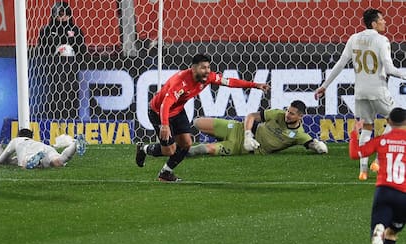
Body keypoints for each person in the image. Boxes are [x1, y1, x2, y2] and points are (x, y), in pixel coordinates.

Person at [135, 54, 270, 182]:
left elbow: (230, 82)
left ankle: (165, 173)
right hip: (159, 112)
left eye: (208, 67)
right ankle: (144, 149)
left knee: (186, 144)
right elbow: (166, 104)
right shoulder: (180, 82)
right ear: (193, 68)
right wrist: (164, 125)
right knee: (169, 150)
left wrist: (255, 85)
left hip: (177, 111)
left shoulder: (209, 77)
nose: (207, 71)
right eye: (203, 67)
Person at [315, 8, 406, 181]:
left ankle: (363, 171)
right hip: (378, 90)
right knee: (396, 122)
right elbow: (389, 69)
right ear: (373, 23)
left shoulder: (353, 38)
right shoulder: (382, 40)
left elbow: (340, 64)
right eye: (382, 19)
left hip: (360, 92)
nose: (384, 22)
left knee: (366, 128)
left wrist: (324, 85)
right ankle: (378, 160)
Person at [349, 108, 406, 244]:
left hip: (384, 191)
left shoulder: (381, 141)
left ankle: (378, 228)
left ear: (388, 122)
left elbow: (355, 154)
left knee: (379, 227)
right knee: (392, 234)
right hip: (403, 195)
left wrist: (353, 133)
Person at [188, 100, 328, 156]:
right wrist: (248, 135)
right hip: (238, 129)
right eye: (288, 111)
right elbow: (251, 116)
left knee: (201, 149)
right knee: (197, 122)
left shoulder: (299, 135)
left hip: (239, 147)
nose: (287, 115)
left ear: (300, 117)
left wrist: (318, 147)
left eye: (292, 114)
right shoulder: (277, 114)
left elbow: (310, 143)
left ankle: (173, 152)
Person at [0, 129, 86, 169]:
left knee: (25, 162)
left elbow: (1, 161)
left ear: (18, 135)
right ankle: (74, 144)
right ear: (31, 137)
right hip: (46, 148)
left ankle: (35, 161)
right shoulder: (35, 142)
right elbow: (10, 161)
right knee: (58, 161)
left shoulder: (16, 140)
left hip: (28, 150)